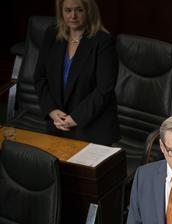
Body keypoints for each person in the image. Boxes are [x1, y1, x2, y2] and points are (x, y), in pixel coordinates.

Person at [34, 0, 119, 145]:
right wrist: (51, 110)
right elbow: (40, 77)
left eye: (79, 10)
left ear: (89, 11)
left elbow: (104, 90)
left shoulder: (103, 41)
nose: (73, 16)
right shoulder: (52, 34)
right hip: (57, 124)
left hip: (91, 128)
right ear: (61, 12)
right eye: (68, 10)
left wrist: (75, 119)